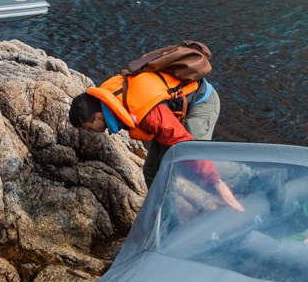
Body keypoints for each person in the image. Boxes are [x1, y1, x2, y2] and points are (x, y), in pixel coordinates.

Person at [67, 65, 241, 206]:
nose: (91, 132)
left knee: (188, 164)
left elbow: (185, 143)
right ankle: (164, 217)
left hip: (201, 103)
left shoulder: (142, 111)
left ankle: (244, 174)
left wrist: (215, 181)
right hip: (170, 113)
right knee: (153, 171)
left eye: (89, 128)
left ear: (98, 116)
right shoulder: (108, 98)